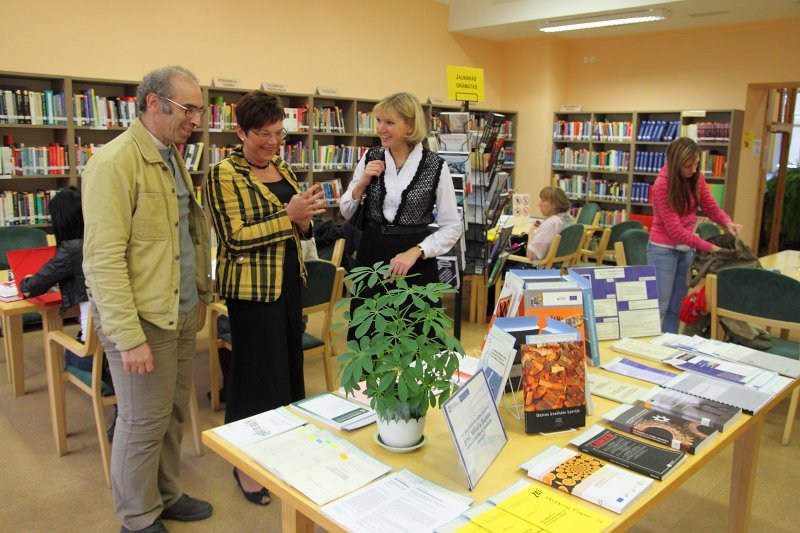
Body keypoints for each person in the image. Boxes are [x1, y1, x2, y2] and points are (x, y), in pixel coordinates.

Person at [82, 66, 213, 533]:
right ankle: (137, 516)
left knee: (173, 411)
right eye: (188, 108)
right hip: (141, 322)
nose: (196, 118)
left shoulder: (170, 154)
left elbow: (181, 238)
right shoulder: (115, 162)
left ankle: (166, 493)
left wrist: (198, 296)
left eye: (199, 109)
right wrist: (127, 336)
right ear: (153, 104)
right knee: (141, 422)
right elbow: (102, 262)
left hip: (175, 312)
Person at [205, 90, 325, 506]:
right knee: (256, 376)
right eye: (263, 134)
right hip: (252, 291)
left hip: (289, 282)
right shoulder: (224, 174)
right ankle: (246, 463)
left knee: (289, 366)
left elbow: (299, 231)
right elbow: (234, 239)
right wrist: (288, 216)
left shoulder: (283, 169)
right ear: (240, 131)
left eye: (279, 133)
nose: (273, 143)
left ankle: (283, 446)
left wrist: (305, 221)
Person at [340, 92, 461, 315]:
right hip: (371, 255)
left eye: (389, 122)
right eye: (378, 121)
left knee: (414, 337)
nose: (380, 129)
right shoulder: (370, 157)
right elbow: (346, 211)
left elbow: (452, 227)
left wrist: (416, 252)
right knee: (370, 336)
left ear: (410, 126)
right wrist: (362, 182)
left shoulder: (435, 166)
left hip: (414, 260)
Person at [648, 136, 742, 333]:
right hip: (662, 250)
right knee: (659, 307)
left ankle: (667, 346)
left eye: (696, 164)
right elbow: (674, 230)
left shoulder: (696, 178)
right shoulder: (662, 185)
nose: (693, 170)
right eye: (687, 166)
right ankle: (650, 348)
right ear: (675, 165)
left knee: (676, 308)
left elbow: (709, 205)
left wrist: (726, 222)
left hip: (685, 251)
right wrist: (710, 247)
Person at [526, 186, 575, 261]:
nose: (539, 204)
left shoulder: (551, 223)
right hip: (564, 266)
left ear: (555, 204)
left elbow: (532, 256)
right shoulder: (570, 218)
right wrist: (542, 227)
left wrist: (531, 232)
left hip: (543, 269)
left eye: (543, 201)